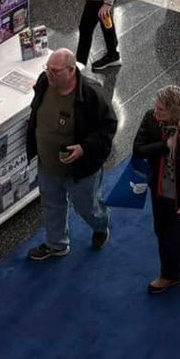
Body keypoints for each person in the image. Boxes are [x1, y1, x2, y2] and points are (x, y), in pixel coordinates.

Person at [27, 48, 118, 260]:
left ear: (71, 70)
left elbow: (108, 127)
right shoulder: (44, 81)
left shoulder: (91, 94)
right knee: (51, 206)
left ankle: (101, 224)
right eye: (47, 68)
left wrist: (84, 148)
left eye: (55, 71)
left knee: (87, 209)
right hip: (48, 164)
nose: (49, 73)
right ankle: (57, 245)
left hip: (80, 171)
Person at [133, 85, 180, 296]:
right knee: (160, 231)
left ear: (175, 111)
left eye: (161, 110)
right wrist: (164, 146)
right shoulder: (150, 119)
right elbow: (138, 150)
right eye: (155, 108)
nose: (156, 113)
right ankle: (169, 274)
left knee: (176, 236)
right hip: (159, 191)